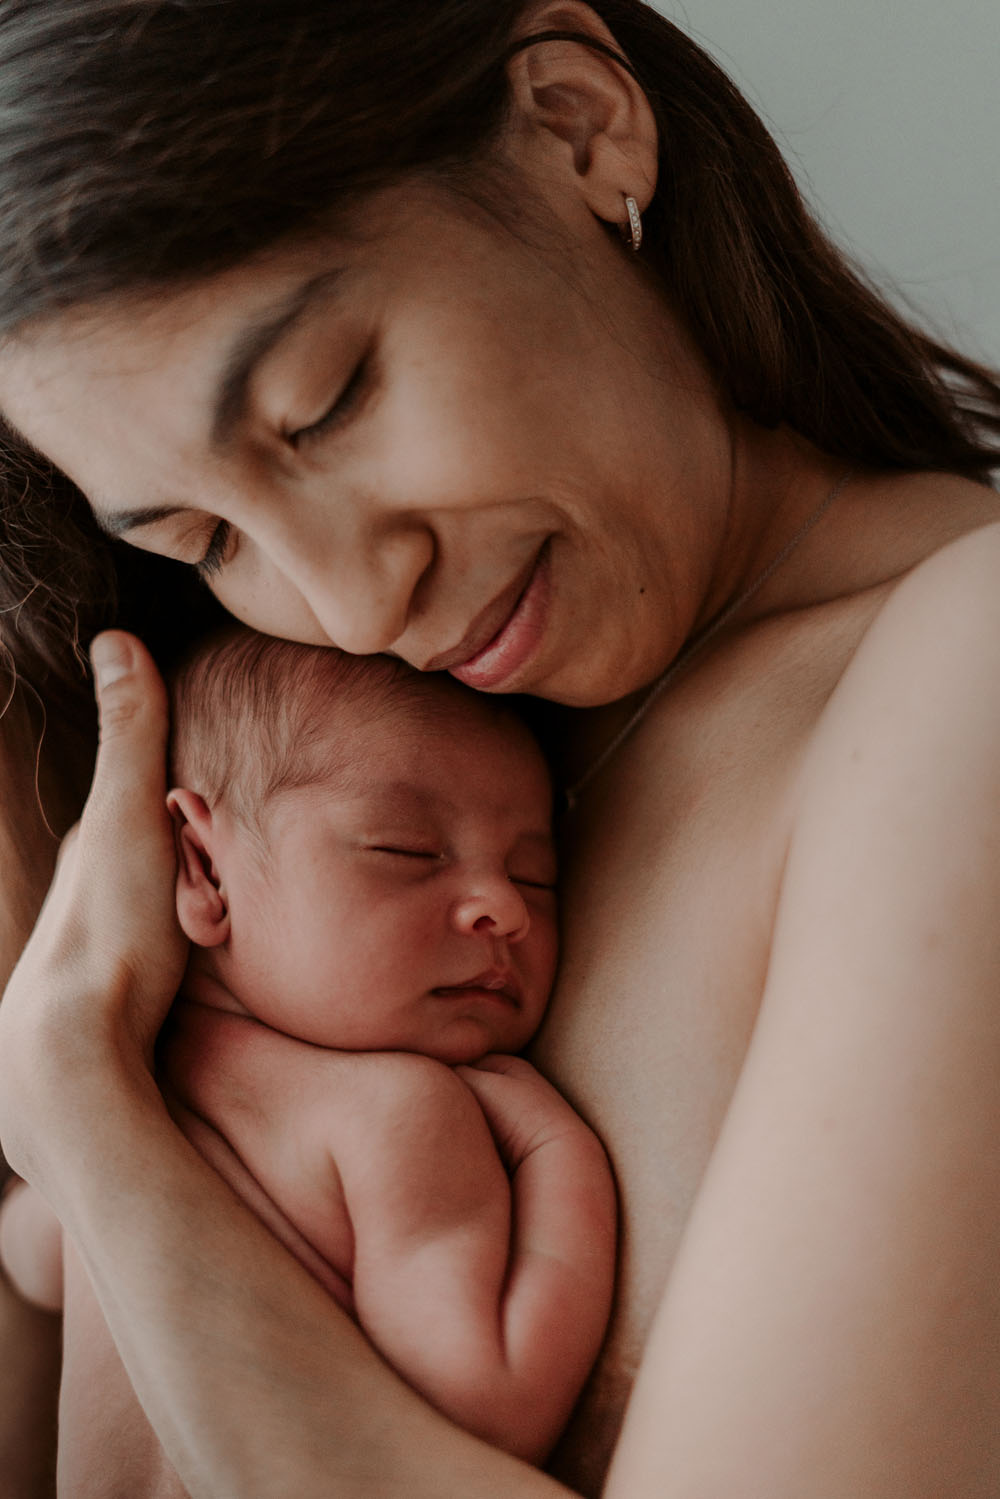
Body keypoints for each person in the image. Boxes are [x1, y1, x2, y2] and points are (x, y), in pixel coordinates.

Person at [1, 1, 1000, 1496]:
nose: (350, 598)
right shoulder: (292, 763)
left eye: (328, 404)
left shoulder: (957, 669)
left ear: (581, 125)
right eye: (200, 533)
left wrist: (90, 1113)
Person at [1, 625, 616, 1485]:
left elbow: (29, 1254)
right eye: (406, 851)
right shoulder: (393, 1114)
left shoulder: (132, 1091)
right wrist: (561, 1150)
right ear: (205, 870)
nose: (502, 908)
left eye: (536, 874)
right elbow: (490, 1401)